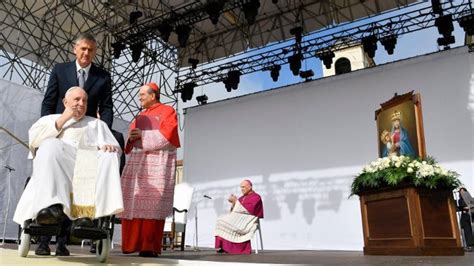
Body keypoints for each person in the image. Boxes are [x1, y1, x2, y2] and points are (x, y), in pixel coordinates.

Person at [13, 87, 124, 256]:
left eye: (84, 101)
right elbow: (35, 142)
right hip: (55, 169)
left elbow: (113, 148)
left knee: (107, 156)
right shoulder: (49, 119)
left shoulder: (97, 124)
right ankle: (50, 207)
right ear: (65, 102)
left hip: (86, 171)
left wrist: (108, 147)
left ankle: (87, 216)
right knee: (49, 144)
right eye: (77, 100)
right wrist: (65, 117)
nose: (81, 104)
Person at [120, 82, 180, 257]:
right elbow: (132, 139)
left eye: (142, 95)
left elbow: (168, 136)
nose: (139, 98)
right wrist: (131, 139)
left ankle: (148, 246)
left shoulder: (168, 111)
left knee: (153, 203)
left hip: (158, 163)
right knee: (134, 201)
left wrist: (142, 136)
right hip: (138, 164)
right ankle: (131, 244)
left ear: (153, 95)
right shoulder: (141, 115)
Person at [41, 32, 113, 128]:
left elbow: (106, 108)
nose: (86, 53)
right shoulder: (59, 70)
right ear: (75, 49)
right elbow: (49, 101)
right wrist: (47, 127)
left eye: (90, 50)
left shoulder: (103, 77)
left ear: (95, 52)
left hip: (87, 129)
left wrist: (105, 132)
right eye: (83, 49)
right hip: (61, 126)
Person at [215, 179, 264, 254]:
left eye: (243, 187)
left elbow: (250, 209)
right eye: (241, 187)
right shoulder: (241, 198)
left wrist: (236, 202)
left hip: (248, 220)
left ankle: (233, 248)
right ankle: (223, 247)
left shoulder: (256, 197)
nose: (241, 189)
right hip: (237, 219)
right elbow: (234, 211)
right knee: (220, 220)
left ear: (250, 187)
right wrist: (233, 203)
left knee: (222, 221)